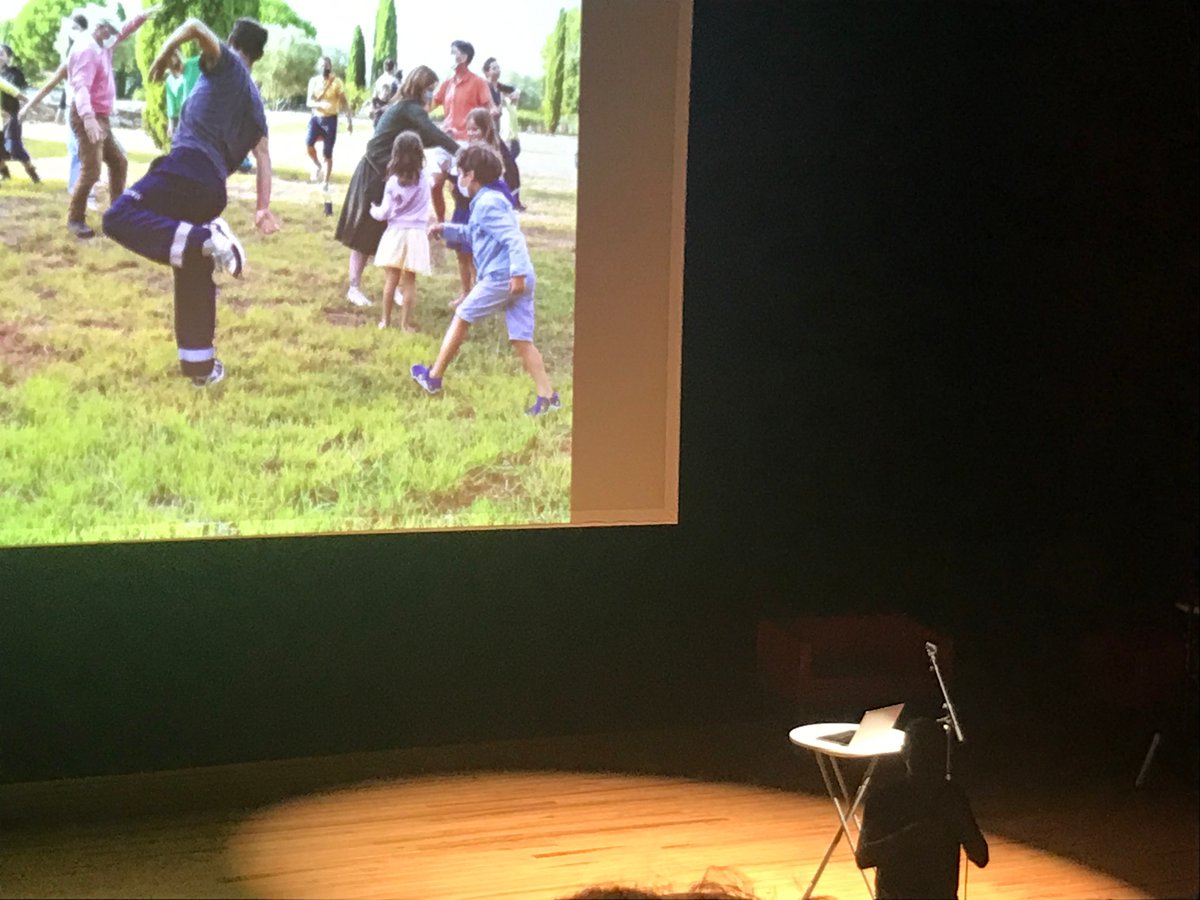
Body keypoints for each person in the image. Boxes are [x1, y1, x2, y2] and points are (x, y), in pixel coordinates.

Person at [101, 16, 281, 388]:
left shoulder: (227, 63)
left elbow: (196, 26)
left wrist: (162, 52)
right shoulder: (253, 102)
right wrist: (262, 208)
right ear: (259, 56)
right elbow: (263, 157)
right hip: (212, 187)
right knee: (191, 269)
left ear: (233, 42)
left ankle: (207, 237)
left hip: (187, 166)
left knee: (118, 216)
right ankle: (200, 365)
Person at [413, 144, 559, 416]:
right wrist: (446, 230)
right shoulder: (489, 200)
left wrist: (515, 274)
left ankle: (433, 377)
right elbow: (475, 233)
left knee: (462, 314)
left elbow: (513, 239)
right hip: (521, 277)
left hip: (504, 277)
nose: (458, 181)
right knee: (521, 340)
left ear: (472, 176)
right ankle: (547, 396)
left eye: (461, 174)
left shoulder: (487, 203)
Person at [334, 64, 458, 308]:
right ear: (419, 87)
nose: (432, 95)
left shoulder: (406, 108)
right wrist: (460, 151)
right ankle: (354, 287)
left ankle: (393, 289)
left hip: (387, 173)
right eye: (429, 89)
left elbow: (426, 136)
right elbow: (430, 132)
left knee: (390, 233)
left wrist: (445, 138)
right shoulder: (409, 108)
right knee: (364, 232)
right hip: (375, 172)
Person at [856, 717, 989, 899]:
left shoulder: (950, 797)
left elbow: (981, 857)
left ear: (904, 753)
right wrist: (912, 836)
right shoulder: (950, 796)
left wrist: (959, 822)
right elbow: (864, 857)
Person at [66, 4, 157, 237]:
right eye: (111, 32)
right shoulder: (86, 50)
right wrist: (88, 119)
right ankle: (75, 219)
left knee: (118, 161)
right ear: (101, 29)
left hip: (101, 117)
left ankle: (117, 216)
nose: (115, 37)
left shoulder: (102, 45)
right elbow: (81, 88)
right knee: (91, 170)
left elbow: (124, 30)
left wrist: (142, 16)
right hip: (87, 116)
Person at [441, 106, 519, 308]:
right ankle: (465, 291)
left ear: (486, 129)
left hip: (477, 209)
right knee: (461, 253)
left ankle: (479, 292)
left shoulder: (489, 154)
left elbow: (496, 180)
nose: (472, 133)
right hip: (462, 207)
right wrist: (449, 175)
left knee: (476, 252)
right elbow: (462, 178)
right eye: (469, 129)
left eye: (476, 129)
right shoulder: (466, 151)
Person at [369, 131, 432, 332]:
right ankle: (405, 324)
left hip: (395, 234)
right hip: (416, 235)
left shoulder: (392, 182)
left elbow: (385, 212)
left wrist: (373, 210)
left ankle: (385, 321)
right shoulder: (424, 180)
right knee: (409, 282)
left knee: (391, 281)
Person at [426, 40, 494, 222]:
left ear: (463, 57)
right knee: (435, 184)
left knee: (460, 191)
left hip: (465, 142)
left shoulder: (478, 82)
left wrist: (492, 115)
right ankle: (441, 222)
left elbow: (490, 108)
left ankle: (464, 221)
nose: (448, 56)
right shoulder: (447, 84)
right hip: (444, 140)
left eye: (452, 52)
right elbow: (428, 107)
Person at [481, 56, 524, 209]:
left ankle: (513, 200)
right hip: (487, 135)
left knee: (509, 166)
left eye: (498, 67)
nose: (497, 70)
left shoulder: (498, 87)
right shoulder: (483, 87)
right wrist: (491, 112)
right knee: (503, 166)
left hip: (496, 134)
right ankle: (508, 201)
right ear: (486, 72)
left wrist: (515, 94)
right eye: (494, 68)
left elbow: (515, 90)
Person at [305, 56, 352, 187]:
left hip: (331, 119)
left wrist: (349, 120)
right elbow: (309, 101)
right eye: (322, 65)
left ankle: (325, 182)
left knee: (327, 151)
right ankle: (316, 164)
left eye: (327, 65)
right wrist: (320, 105)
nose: (324, 68)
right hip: (316, 118)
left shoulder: (337, 82)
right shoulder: (313, 81)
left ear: (330, 67)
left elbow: (344, 102)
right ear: (318, 67)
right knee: (308, 144)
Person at [0, 45, 41, 183]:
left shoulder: (14, 73)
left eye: (1, 54)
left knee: (14, 147)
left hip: (11, 114)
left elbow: (15, 91)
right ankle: (5, 175)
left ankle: (33, 175)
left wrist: (31, 105)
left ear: (8, 58)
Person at [369, 58, 400, 123]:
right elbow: (398, 99)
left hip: (378, 113)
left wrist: (371, 109)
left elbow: (374, 97)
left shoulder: (378, 81)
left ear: (384, 67)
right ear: (393, 68)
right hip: (390, 113)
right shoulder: (395, 82)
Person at [164, 50, 185, 139]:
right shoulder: (169, 80)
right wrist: (170, 124)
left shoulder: (188, 73)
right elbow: (170, 101)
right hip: (177, 119)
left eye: (175, 55)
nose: (173, 59)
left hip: (190, 116)